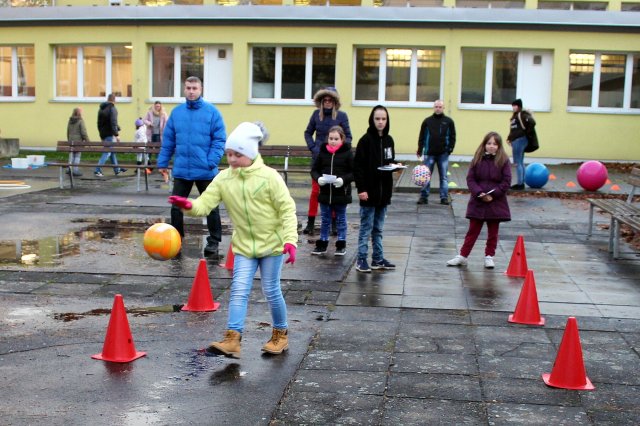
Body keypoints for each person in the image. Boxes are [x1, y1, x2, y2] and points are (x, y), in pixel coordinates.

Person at [168, 122, 297, 358]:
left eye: (238, 154)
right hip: (244, 247)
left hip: (272, 245)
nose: (232, 159)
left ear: (251, 152)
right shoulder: (223, 179)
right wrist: (188, 205)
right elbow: (204, 205)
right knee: (238, 290)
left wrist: (290, 240)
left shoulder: (270, 177)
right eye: (229, 154)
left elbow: (287, 209)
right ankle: (232, 339)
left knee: (271, 290)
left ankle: (280, 334)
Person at [157, 76, 226, 256]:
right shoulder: (177, 113)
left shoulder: (212, 112)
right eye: (188, 88)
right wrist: (163, 162)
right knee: (176, 207)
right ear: (184, 89)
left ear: (200, 89)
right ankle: (177, 239)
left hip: (206, 170)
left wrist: (211, 162)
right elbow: (168, 141)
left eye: (194, 88)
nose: (191, 91)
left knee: (211, 207)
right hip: (182, 170)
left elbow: (219, 140)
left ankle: (213, 242)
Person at [447, 131, 511, 269]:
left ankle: (489, 256)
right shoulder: (477, 159)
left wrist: (493, 195)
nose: (491, 146)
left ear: (499, 146)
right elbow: (470, 179)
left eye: (495, 144)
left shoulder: (504, 161)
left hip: (495, 202)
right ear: (484, 144)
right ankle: (463, 256)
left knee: (493, 232)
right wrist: (479, 193)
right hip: (478, 201)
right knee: (472, 231)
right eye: (489, 143)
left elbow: (506, 181)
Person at [353, 105, 401, 273]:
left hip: (383, 192)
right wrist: (361, 189)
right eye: (377, 119)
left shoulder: (389, 140)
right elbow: (358, 167)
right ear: (372, 120)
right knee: (366, 228)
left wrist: (395, 166)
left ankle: (378, 258)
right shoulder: (365, 140)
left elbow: (388, 161)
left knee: (378, 229)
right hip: (369, 192)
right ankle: (361, 259)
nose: (380, 122)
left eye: (383, 119)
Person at [303, 87, 352, 236]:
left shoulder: (342, 116)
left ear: (335, 101)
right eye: (325, 100)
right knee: (315, 191)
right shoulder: (316, 115)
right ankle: (311, 222)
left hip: (336, 160)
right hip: (319, 159)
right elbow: (308, 133)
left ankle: (334, 223)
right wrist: (314, 148)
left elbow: (348, 137)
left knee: (335, 191)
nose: (328, 102)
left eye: (330, 100)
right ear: (321, 101)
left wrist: (339, 150)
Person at [310, 125, 353, 256]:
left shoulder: (347, 153)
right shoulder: (323, 153)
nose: (333, 141)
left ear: (342, 139)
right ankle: (322, 243)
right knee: (325, 219)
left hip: (341, 193)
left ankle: (341, 244)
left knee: (341, 219)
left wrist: (343, 180)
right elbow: (314, 170)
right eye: (331, 138)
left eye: (336, 139)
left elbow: (353, 172)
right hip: (325, 193)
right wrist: (318, 178)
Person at [416, 99, 456, 205]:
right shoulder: (427, 121)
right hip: (429, 153)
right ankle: (424, 197)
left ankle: (444, 197)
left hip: (443, 154)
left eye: (440, 107)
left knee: (444, 177)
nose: (438, 108)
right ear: (433, 107)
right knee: (425, 176)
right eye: (436, 106)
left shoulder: (449, 121)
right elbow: (421, 136)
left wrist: (450, 149)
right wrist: (420, 149)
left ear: (443, 108)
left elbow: (453, 136)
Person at [506, 98, 535, 190]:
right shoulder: (515, 116)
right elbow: (514, 129)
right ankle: (521, 182)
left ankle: (520, 184)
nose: (513, 107)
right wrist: (509, 138)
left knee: (517, 162)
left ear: (519, 106)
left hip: (519, 140)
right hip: (516, 140)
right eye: (513, 106)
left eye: (515, 106)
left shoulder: (522, 114)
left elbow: (532, 122)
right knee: (520, 162)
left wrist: (526, 133)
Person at [95, 93, 126, 177]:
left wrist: (101, 134)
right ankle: (97, 170)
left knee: (112, 152)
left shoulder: (101, 109)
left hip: (103, 133)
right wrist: (117, 134)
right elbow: (113, 122)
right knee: (107, 152)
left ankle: (117, 169)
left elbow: (99, 123)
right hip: (109, 133)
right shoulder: (112, 108)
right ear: (114, 100)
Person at [143, 100, 168, 173]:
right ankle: (149, 167)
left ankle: (160, 166)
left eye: (159, 106)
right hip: (151, 134)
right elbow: (144, 120)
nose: (157, 108)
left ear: (161, 106)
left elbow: (167, 122)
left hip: (159, 134)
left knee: (158, 151)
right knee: (149, 151)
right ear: (154, 106)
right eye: (156, 106)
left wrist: (165, 129)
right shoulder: (150, 113)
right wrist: (149, 123)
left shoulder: (163, 114)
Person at [66, 107, 89, 177]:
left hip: (71, 140)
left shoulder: (70, 120)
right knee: (77, 156)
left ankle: (69, 169)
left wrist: (69, 139)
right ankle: (75, 170)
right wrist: (87, 141)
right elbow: (83, 132)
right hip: (78, 141)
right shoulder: (80, 121)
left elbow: (68, 131)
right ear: (79, 113)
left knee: (71, 155)